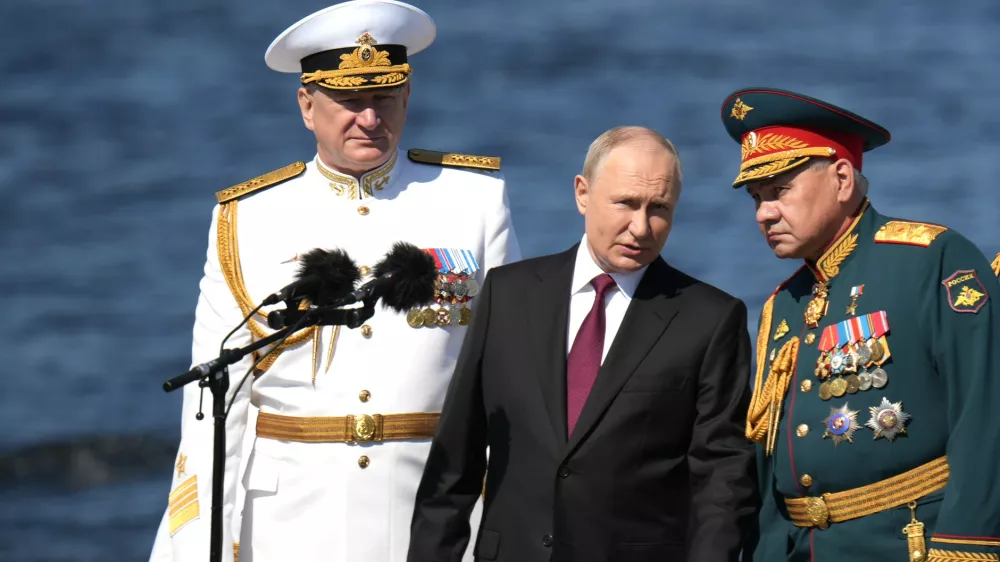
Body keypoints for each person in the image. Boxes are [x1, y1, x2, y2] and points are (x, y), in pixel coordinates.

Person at [147, 1, 521, 561]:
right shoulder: (249, 218)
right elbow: (214, 411)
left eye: (384, 98)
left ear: (408, 96)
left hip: (433, 518)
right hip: (289, 526)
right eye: (349, 101)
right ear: (306, 105)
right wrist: (202, 547)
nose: (370, 119)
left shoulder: (474, 200)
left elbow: (510, 379)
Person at [406, 126, 759, 562]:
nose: (641, 227)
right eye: (626, 203)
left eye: (659, 208)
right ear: (582, 193)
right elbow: (456, 460)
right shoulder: (507, 295)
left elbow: (722, 481)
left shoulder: (710, 319)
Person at [720, 87, 1000, 562]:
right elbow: (771, 475)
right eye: (756, 198)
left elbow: (986, 408)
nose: (764, 213)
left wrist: (965, 547)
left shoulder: (931, 260)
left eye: (779, 191)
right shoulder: (782, 306)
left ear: (843, 178)